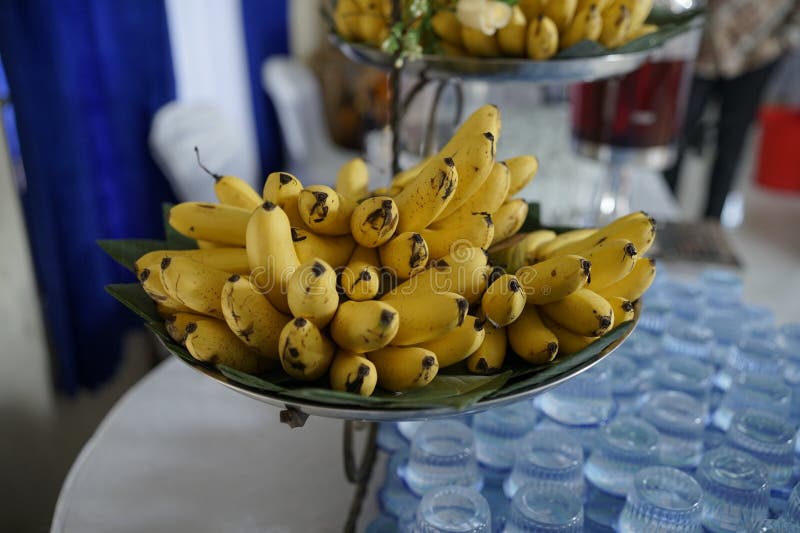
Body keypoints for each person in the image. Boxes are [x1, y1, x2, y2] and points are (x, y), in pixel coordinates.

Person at [664, 0, 800, 219]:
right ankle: (662, 217)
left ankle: (713, 223)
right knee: (676, 133)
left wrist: (781, 42)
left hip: (757, 55)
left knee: (731, 144)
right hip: (702, 47)